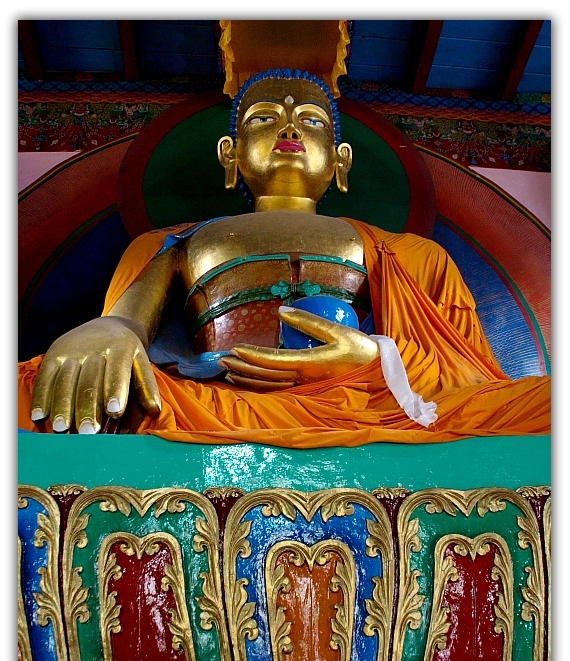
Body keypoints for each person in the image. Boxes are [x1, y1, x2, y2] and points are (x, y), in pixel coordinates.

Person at [18, 70, 550, 448]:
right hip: (213, 403)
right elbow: (125, 329)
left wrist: (373, 359)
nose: (290, 130)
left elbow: (470, 377)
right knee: (27, 393)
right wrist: (108, 333)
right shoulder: (173, 242)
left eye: (312, 120)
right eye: (266, 117)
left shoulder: (413, 253)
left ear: (341, 163)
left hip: (370, 405)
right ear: (231, 153)